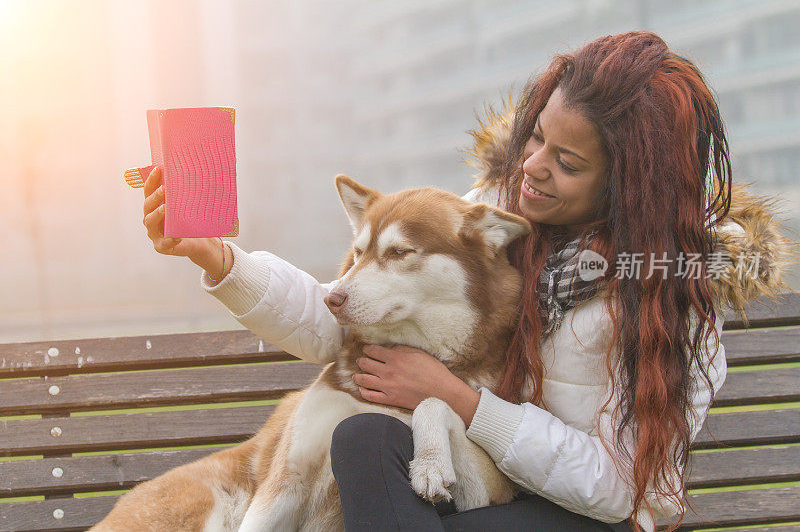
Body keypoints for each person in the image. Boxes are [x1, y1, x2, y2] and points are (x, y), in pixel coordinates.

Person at [140, 31, 790, 532]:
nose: (532, 167)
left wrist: (461, 400)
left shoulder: (671, 301)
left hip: (590, 516)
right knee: (363, 438)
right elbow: (347, 316)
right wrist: (220, 261)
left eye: (565, 162)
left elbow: (617, 485)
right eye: (534, 138)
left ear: (626, 185)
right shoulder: (493, 222)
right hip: (477, 480)